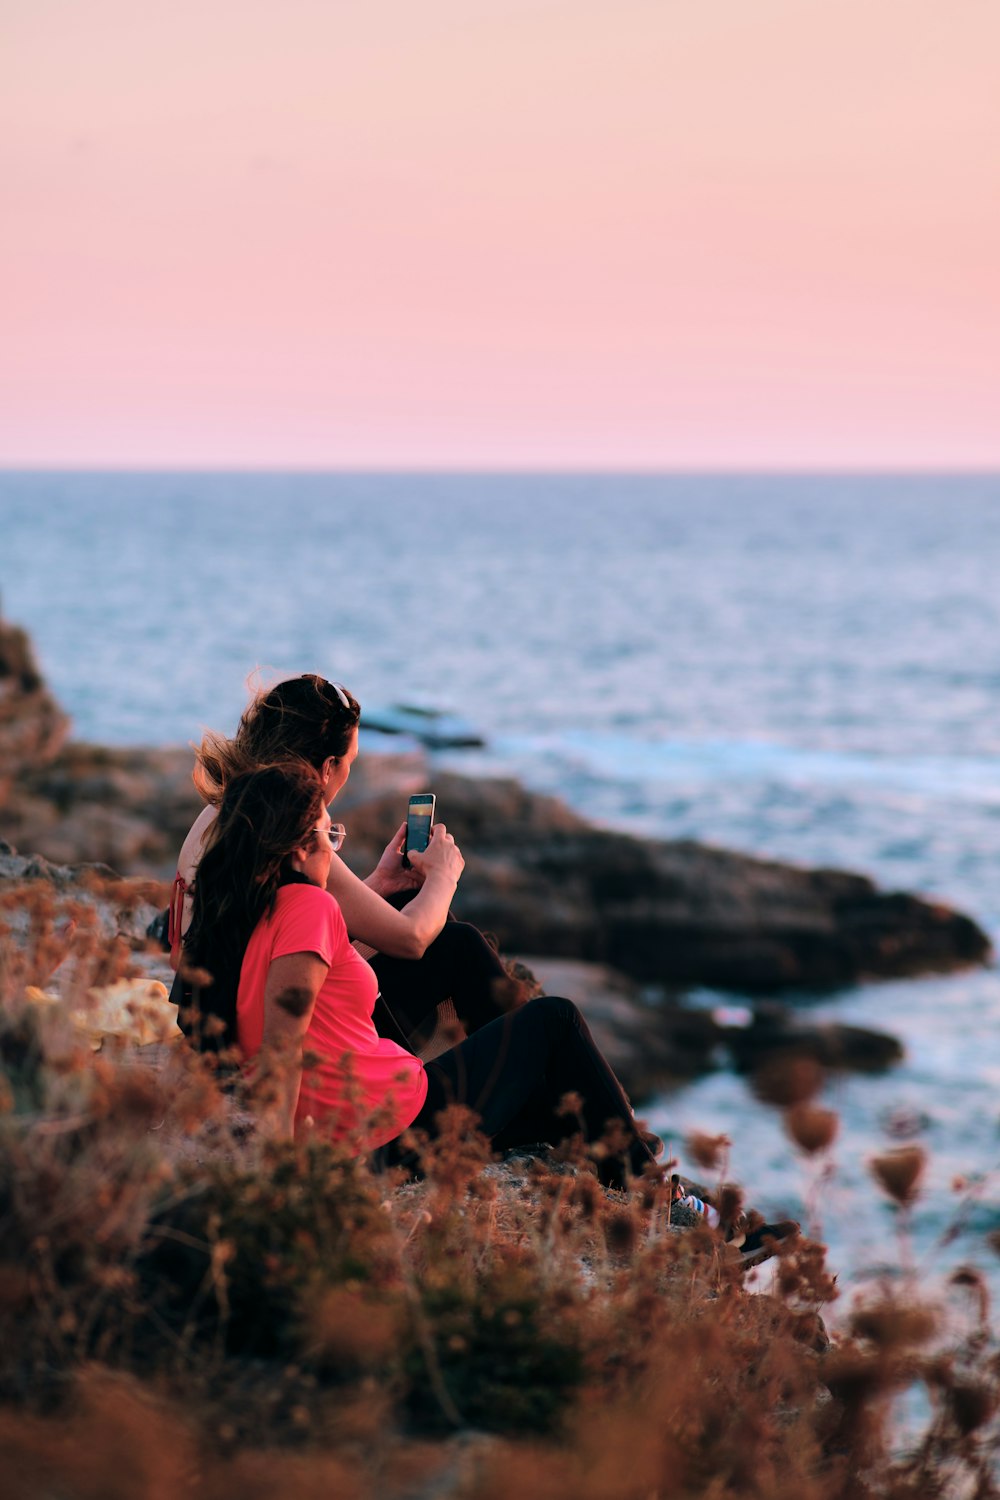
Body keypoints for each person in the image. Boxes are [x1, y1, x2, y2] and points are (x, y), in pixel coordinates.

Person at [182, 760, 662, 1189]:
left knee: (561, 1111)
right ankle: (656, 1194)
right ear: (299, 850)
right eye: (330, 836)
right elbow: (280, 1057)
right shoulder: (309, 906)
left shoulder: (246, 910)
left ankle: (614, 1144)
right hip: (390, 1130)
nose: (334, 849)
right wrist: (279, 1181)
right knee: (557, 1020)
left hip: (378, 1119)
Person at [170, 674, 514, 1052]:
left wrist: (381, 882)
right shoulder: (290, 837)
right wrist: (444, 876)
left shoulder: (221, 812)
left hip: (215, 1020)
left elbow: (288, 926)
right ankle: (519, 1070)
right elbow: (410, 939)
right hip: (266, 1036)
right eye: (350, 762)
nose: (347, 775)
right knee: (458, 945)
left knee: (412, 909)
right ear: (328, 766)